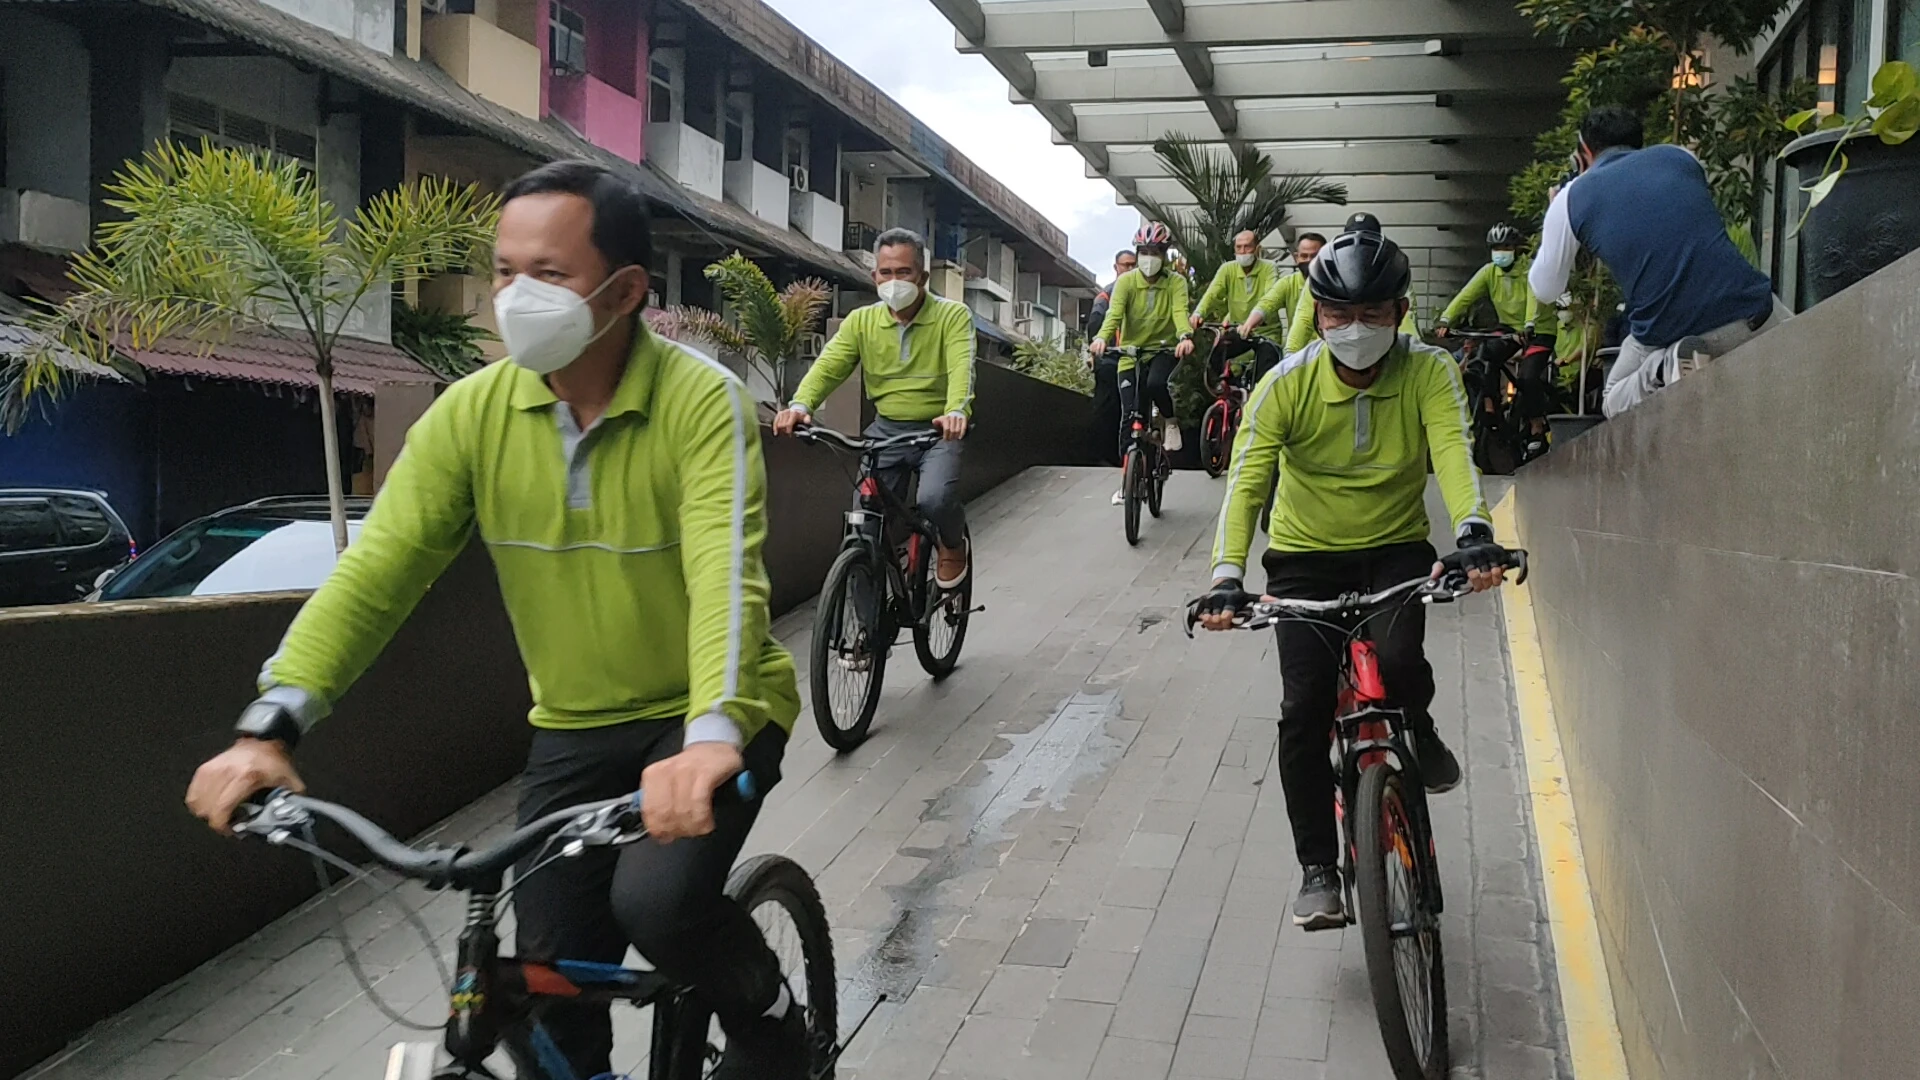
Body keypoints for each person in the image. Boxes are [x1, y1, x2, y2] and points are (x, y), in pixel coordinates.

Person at [182, 162, 807, 1080]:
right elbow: (377, 571)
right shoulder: (470, 416)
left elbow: (725, 574)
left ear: (625, 290)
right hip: (575, 726)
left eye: (548, 275)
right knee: (538, 981)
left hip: (712, 715)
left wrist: (711, 736)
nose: (515, 296)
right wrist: (270, 723)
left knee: (661, 908)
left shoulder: (698, 402)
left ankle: (774, 1022)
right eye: (504, 271)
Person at [1195, 230, 1506, 929]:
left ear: (1400, 311)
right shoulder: (1285, 384)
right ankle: (1317, 869)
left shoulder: (1429, 372)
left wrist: (1474, 535)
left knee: (1399, 661)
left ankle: (1417, 727)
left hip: (1394, 549)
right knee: (1303, 709)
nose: (1355, 329)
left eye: (1372, 313)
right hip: (1303, 557)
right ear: (1317, 310)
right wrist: (1225, 576)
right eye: (1338, 313)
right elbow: (1247, 483)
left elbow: (1455, 452)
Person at [1530, 104, 1788, 418]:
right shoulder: (1681, 157)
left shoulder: (1571, 199)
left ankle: (1663, 370)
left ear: (1583, 150)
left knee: (1613, 398)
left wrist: (1555, 210)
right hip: (1754, 312)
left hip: (1669, 334)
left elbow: (1545, 289)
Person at [774, 228, 973, 587]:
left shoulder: (952, 316)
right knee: (862, 525)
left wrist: (956, 410)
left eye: (904, 273)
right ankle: (869, 635)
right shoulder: (861, 322)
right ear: (874, 276)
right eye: (886, 273)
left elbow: (962, 367)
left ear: (923, 277)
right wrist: (800, 405)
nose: (894, 281)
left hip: (938, 430)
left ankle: (952, 543)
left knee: (934, 499)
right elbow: (828, 366)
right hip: (885, 433)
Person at [1091, 221, 1195, 505]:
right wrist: (1102, 339)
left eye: (1155, 251)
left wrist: (1185, 336)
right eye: (1144, 251)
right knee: (1128, 416)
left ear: (1164, 254)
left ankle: (1170, 421)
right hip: (1129, 352)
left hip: (1162, 349)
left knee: (1156, 383)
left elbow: (1179, 313)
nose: (1149, 257)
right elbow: (1113, 315)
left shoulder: (1176, 282)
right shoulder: (1126, 282)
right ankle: (1127, 480)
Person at [1285, 216, 1420, 354]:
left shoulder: (1391, 274)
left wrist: (1413, 354)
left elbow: (1407, 319)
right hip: (1328, 352)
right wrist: (1290, 353)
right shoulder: (1325, 274)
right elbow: (1303, 319)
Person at [1191, 230, 1288, 386]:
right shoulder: (1227, 269)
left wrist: (1253, 321)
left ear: (1257, 249)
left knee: (1265, 377)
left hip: (1266, 332)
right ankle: (1231, 392)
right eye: (1239, 247)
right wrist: (1198, 313)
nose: (1243, 252)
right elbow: (1212, 294)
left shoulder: (1269, 268)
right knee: (1214, 357)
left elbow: (1270, 298)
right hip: (1238, 330)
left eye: (1247, 247)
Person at [1433, 222, 1541, 341]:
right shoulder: (1489, 271)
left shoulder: (1530, 269)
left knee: (1532, 360)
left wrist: (1529, 324)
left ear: (1516, 249)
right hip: (1508, 330)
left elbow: (1533, 299)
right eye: (1496, 248)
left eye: (1506, 247)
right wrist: (1445, 319)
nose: (1501, 251)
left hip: (1535, 331)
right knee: (1483, 354)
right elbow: (1465, 295)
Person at [1088, 249, 1138, 464]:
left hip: (1136, 357)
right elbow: (1095, 324)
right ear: (1115, 267)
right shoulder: (1106, 295)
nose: (1129, 269)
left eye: (1132, 265)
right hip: (1110, 359)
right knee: (1107, 409)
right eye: (1125, 265)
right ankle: (1106, 457)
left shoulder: (1142, 292)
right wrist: (1096, 351)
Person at [1245, 231, 1325, 348]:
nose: (1309, 261)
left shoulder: (1336, 284)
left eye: (1314, 256)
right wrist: (1249, 324)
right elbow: (1267, 303)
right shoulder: (1288, 283)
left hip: (1327, 351)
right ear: (1296, 257)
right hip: (1297, 352)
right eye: (1304, 256)